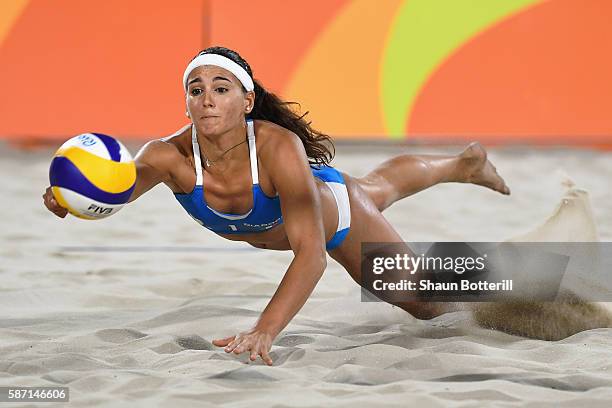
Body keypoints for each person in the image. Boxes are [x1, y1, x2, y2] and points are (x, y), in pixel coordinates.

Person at [43, 46, 511, 365]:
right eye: (196, 90)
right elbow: (116, 192)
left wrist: (265, 329)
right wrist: (70, 198)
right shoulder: (167, 157)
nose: (206, 100)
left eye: (220, 88)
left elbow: (311, 256)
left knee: (431, 306)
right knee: (377, 187)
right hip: (315, 195)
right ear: (185, 103)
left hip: (336, 218)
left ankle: (525, 287)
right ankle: (463, 165)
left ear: (247, 100)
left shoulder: (277, 146)